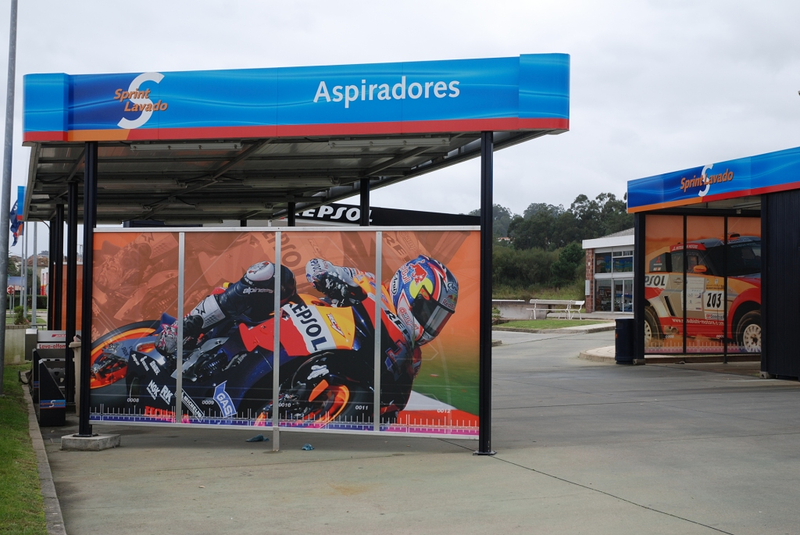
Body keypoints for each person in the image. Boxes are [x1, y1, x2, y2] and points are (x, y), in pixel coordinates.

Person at [303, 254, 458, 412]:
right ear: (411, 292)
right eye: (428, 312)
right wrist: (327, 277)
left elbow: (395, 401)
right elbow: (315, 265)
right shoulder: (370, 282)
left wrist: (390, 411)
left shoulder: (414, 357)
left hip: (350, 376)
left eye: (439, 318)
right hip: (315, 327)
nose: (432, 322)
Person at [156, 261, 297, 356]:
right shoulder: (240, 294)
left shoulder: (294, 303)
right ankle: (179, 331)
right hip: (237, 324)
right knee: (221, 294)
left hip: (263, 338)